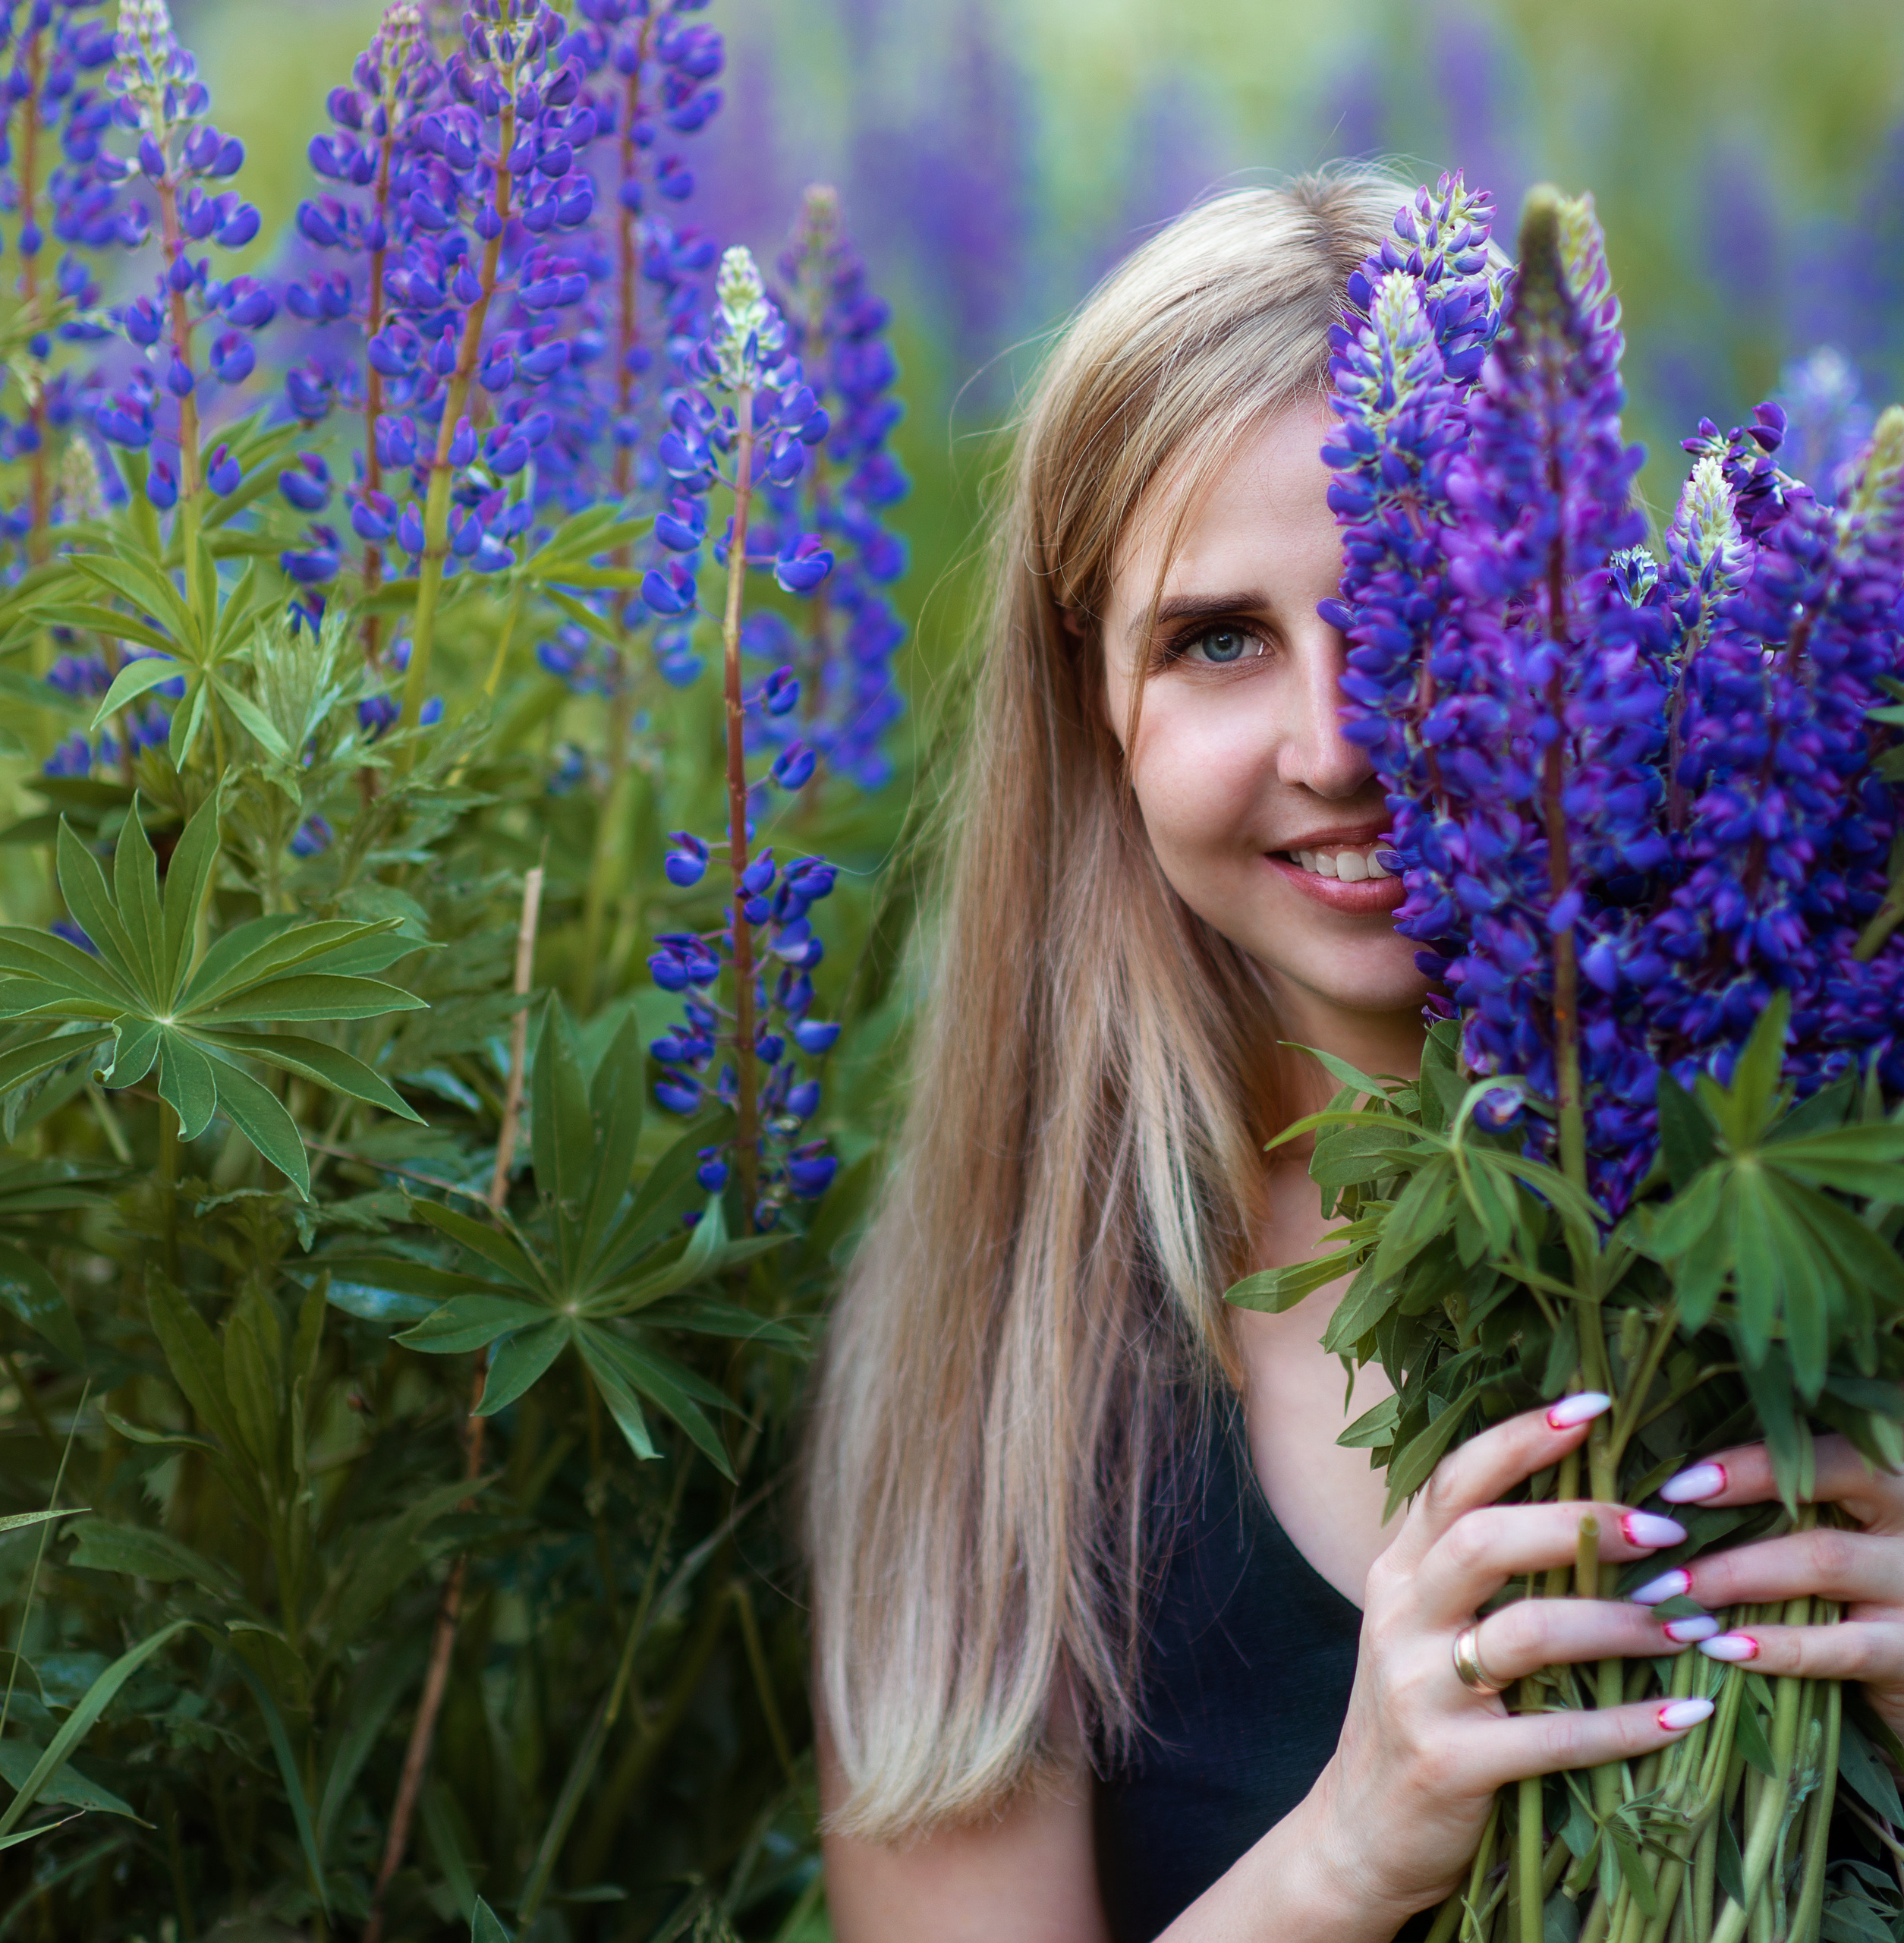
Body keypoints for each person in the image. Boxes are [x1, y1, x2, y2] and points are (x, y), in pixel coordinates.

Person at [801, 165, 1904, 1943]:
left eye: (1412, 615)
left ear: (1563, 613)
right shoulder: (1004, 1348)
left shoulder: (1813, 1192)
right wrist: (1344, 1849)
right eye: (1217, 638)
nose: (1340, 737)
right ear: (1093, 711)